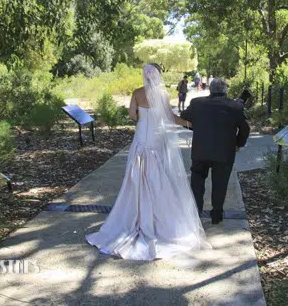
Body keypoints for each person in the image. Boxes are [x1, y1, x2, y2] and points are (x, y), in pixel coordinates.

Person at [86, 64, 211, 260]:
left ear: (144, 76)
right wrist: (191, 124)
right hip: (157, 138)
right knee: (159, 176)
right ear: (158, 76)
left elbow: (132, 115)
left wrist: (141, 115)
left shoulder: (136, 92)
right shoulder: (162, 95)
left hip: (142, 138)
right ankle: (160, 218)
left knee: (137, 175)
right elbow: (170, 118)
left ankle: (135, 216)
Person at [180, 78, 250, 224]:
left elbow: (184, 118)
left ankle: (196, 213)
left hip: (201, 151)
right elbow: (245, 128)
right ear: (225, 90)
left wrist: (198, 127)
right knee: (220, 183)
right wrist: (238, 143)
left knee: (197, 182)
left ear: (210, 89)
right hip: (224, 152)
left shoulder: (197, 103)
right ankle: (216, 214)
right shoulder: (235, 106)